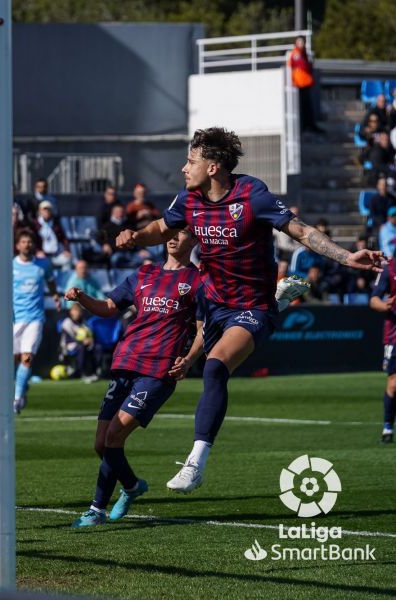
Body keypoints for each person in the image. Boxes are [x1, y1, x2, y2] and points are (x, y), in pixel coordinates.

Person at [116, 127, 384, 492]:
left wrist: (346, 256)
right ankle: (280, 299)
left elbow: (301, 231)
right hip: (213, 302)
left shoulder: (252, 194)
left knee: (215, 367)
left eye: (191, 161)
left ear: (213, 167)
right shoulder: (188, 200)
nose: (184, 168)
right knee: (206, 362)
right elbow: (162, 229)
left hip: (251, 305)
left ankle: (195, 462)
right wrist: (135, 237)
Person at [67, 229, 204, 527]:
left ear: (194, 240)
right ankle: (131, 486)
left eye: (181, 234)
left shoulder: (198, 280)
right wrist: (81, 297)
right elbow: (107, 308)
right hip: (125, 361)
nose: (173, 238)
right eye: (169, 233)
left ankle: (97, 510)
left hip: (159, 370)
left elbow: (203, 328)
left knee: (114, 436)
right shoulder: (144, 273)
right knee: (101, 444)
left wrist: (189, 360)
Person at [12, 229, 60, 414]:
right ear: (18, 245)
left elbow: (51, 281)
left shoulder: (43, 264)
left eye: (29, 241)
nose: (27, 245)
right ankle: (22, 387)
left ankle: (16, 399)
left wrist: (55, 296)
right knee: (13, 361)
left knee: (27, 358)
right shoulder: (10, 265)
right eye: (23, 242)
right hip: (14, 319)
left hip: (34, 318)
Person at [370, 259, 396, 443]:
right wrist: (385, 305)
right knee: (394, 384)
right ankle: (388, 426)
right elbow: (374, 300)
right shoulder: (389, 268)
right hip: (394, 333)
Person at [60, 303, 101, 382]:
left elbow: (89, 333)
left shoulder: (84, 322)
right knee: (81, 347)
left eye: (79, 311)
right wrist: (81, 341)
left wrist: (90, 339)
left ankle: (96, 371)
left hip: (83, 343)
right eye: (75, 310)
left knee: (97, 347)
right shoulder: (67, 322)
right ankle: (82, 372)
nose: (77, 313)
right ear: (71, 312)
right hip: (68, 345)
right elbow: (67, 339)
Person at [288, 35, 321, 134]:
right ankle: (305, 127)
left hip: (304, 83)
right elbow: (303, 65)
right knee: (303, 107)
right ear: (295, 43)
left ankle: (309, 126)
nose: (301, 44)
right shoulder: (296, 53)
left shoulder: (303, 53)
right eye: (299, 42)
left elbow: (306, 66)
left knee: (307, 106)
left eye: (302, 42)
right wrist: (309, 64)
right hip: (300, 84)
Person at [36, 200, 71, 268]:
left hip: (56, 254)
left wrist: (66, 250)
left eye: (48, 210)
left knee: (67, 259)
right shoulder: (35, 224)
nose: (46, 212)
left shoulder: (56, 224)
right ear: (40, 211)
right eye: (44, 210)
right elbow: (33, 240)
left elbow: (63, 238)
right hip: (43, 255)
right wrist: (37, 251)